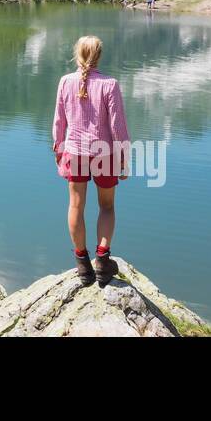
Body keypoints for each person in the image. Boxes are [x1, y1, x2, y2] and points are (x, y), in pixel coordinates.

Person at [52, 35, 130, 288]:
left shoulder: (65, 82)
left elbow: (58, 122)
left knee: (76, 206)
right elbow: (118, 127)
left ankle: (82, 264)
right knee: (106, 207)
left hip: (74, 151)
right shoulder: (110, 84)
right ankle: (103, 259)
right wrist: (124, 159)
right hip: (104, 153)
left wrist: (59, 151)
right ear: (99, 56)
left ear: (78, 55)